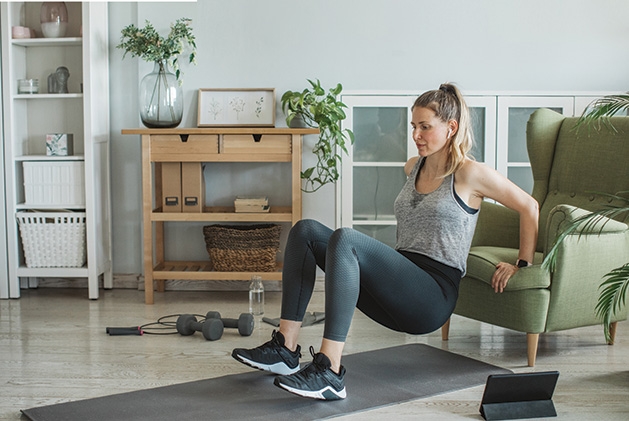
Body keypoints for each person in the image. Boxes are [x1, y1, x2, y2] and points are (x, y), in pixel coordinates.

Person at [232, 83, 539, 400]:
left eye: (425, 127)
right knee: (306, 230)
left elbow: (529, 207)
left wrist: (522, 264)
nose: (416, 135)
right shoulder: (412, 167)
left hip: (432, 296)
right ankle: (285, 347)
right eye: (413, 127)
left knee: (346, 239)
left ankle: (330, 371)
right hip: (400, 282)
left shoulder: (470, 173)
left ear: (452, 127)